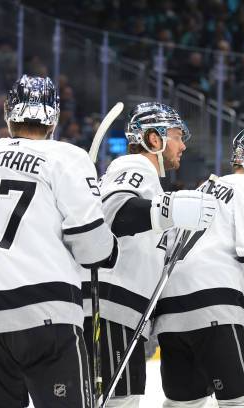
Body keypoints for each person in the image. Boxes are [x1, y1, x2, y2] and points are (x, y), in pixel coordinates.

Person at [0, 75, 118, 408]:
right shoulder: (67, 157)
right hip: (45, 311)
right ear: (53, 116)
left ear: (10, 113)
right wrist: (109, 250)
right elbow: (92, 247)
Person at [153, 127, 244, 407]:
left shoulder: (201, 189)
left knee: (184, 404)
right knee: (241, 402)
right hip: (215, 309)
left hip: (169, 314)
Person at [85, 102, 217, 407]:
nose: (183, 145)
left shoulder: (151, 184)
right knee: (119, 401)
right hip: (110, 306)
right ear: (154, 139)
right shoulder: (134, 166)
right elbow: (113, 212)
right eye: (176, 136)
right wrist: (171, 209)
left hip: (120, 310)